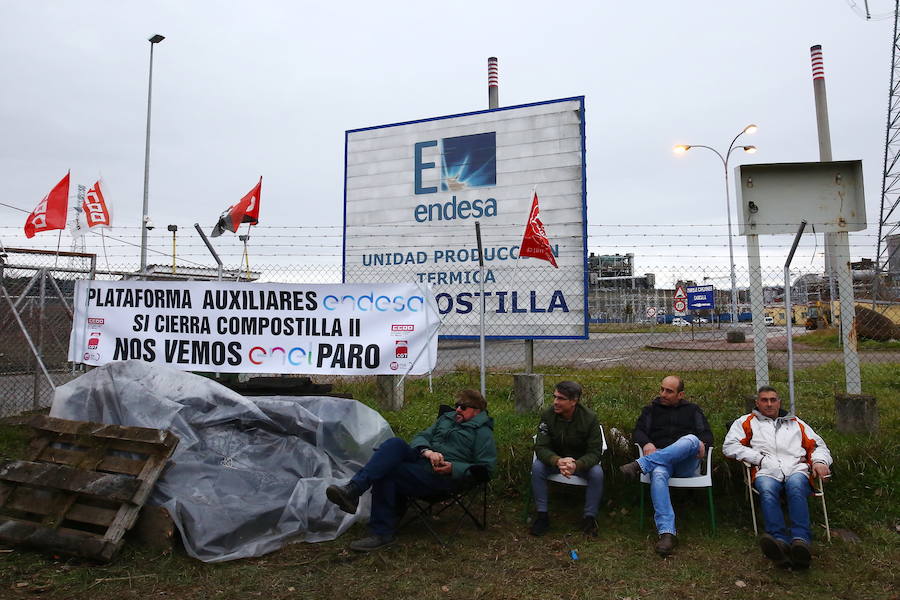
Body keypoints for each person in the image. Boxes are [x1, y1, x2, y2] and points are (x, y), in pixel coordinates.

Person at [325, 389, 496, 552]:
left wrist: (454, 468)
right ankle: (353, 490)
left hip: (441, 477)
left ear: (477, 411)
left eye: (463, 407)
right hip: (422, 461)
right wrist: (428, 451)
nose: (457, 409)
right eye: (457, 405)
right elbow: (421, 437)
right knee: (395, 444)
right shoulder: (447, 419)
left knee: (389, 471)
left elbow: (486, 468)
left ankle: (380, 530)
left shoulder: (482, 432)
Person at [722, 386, 832, 569]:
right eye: (764, 400)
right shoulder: (746, 422)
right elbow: (729, 446)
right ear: (757, 403)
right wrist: (759, 458)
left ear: (779, 402)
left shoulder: (796, 422)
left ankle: (801, 541)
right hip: (766, 470)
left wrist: (820, 462)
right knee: (767, 489)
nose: (769, 404)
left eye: (773, 400)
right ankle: (778, 540)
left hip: (796, 468)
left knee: (796, 487)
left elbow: (818, 446)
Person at [619, 375, 714, 557]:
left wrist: (702, 443)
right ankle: (667, 533)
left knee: (691, 439)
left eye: (669, 391)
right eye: (662, 389)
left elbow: (708, 436)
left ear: (681, 394)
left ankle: (640, 464)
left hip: (686, 464)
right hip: (662, 462)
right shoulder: (651, 410)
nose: (663, 394)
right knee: (659, 473)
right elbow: (638, 431)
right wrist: (646, 443)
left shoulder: (693, 410)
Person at [529, 381, 605, 537]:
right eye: (555, 397)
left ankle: (589, 518)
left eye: (561, 398)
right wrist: (557, 461)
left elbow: (595, 452)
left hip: (580, 464)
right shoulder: (548, 416)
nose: (555, 402)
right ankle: (542, 516)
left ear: (574, 401)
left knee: (597, 473)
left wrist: (577, 465)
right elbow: (541, 446)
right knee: (537, 468)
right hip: (556, 462)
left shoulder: (589, 418)